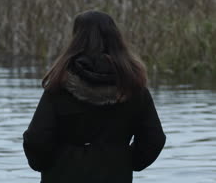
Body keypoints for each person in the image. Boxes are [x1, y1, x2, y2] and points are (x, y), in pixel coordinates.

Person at [22, 10, 166, 183]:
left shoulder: (59, 85)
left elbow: (37, 139)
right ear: (115, 38)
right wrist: (124, 161)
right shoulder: (134, 87)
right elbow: (154, 138)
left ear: (76, 39)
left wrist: (48, 164)